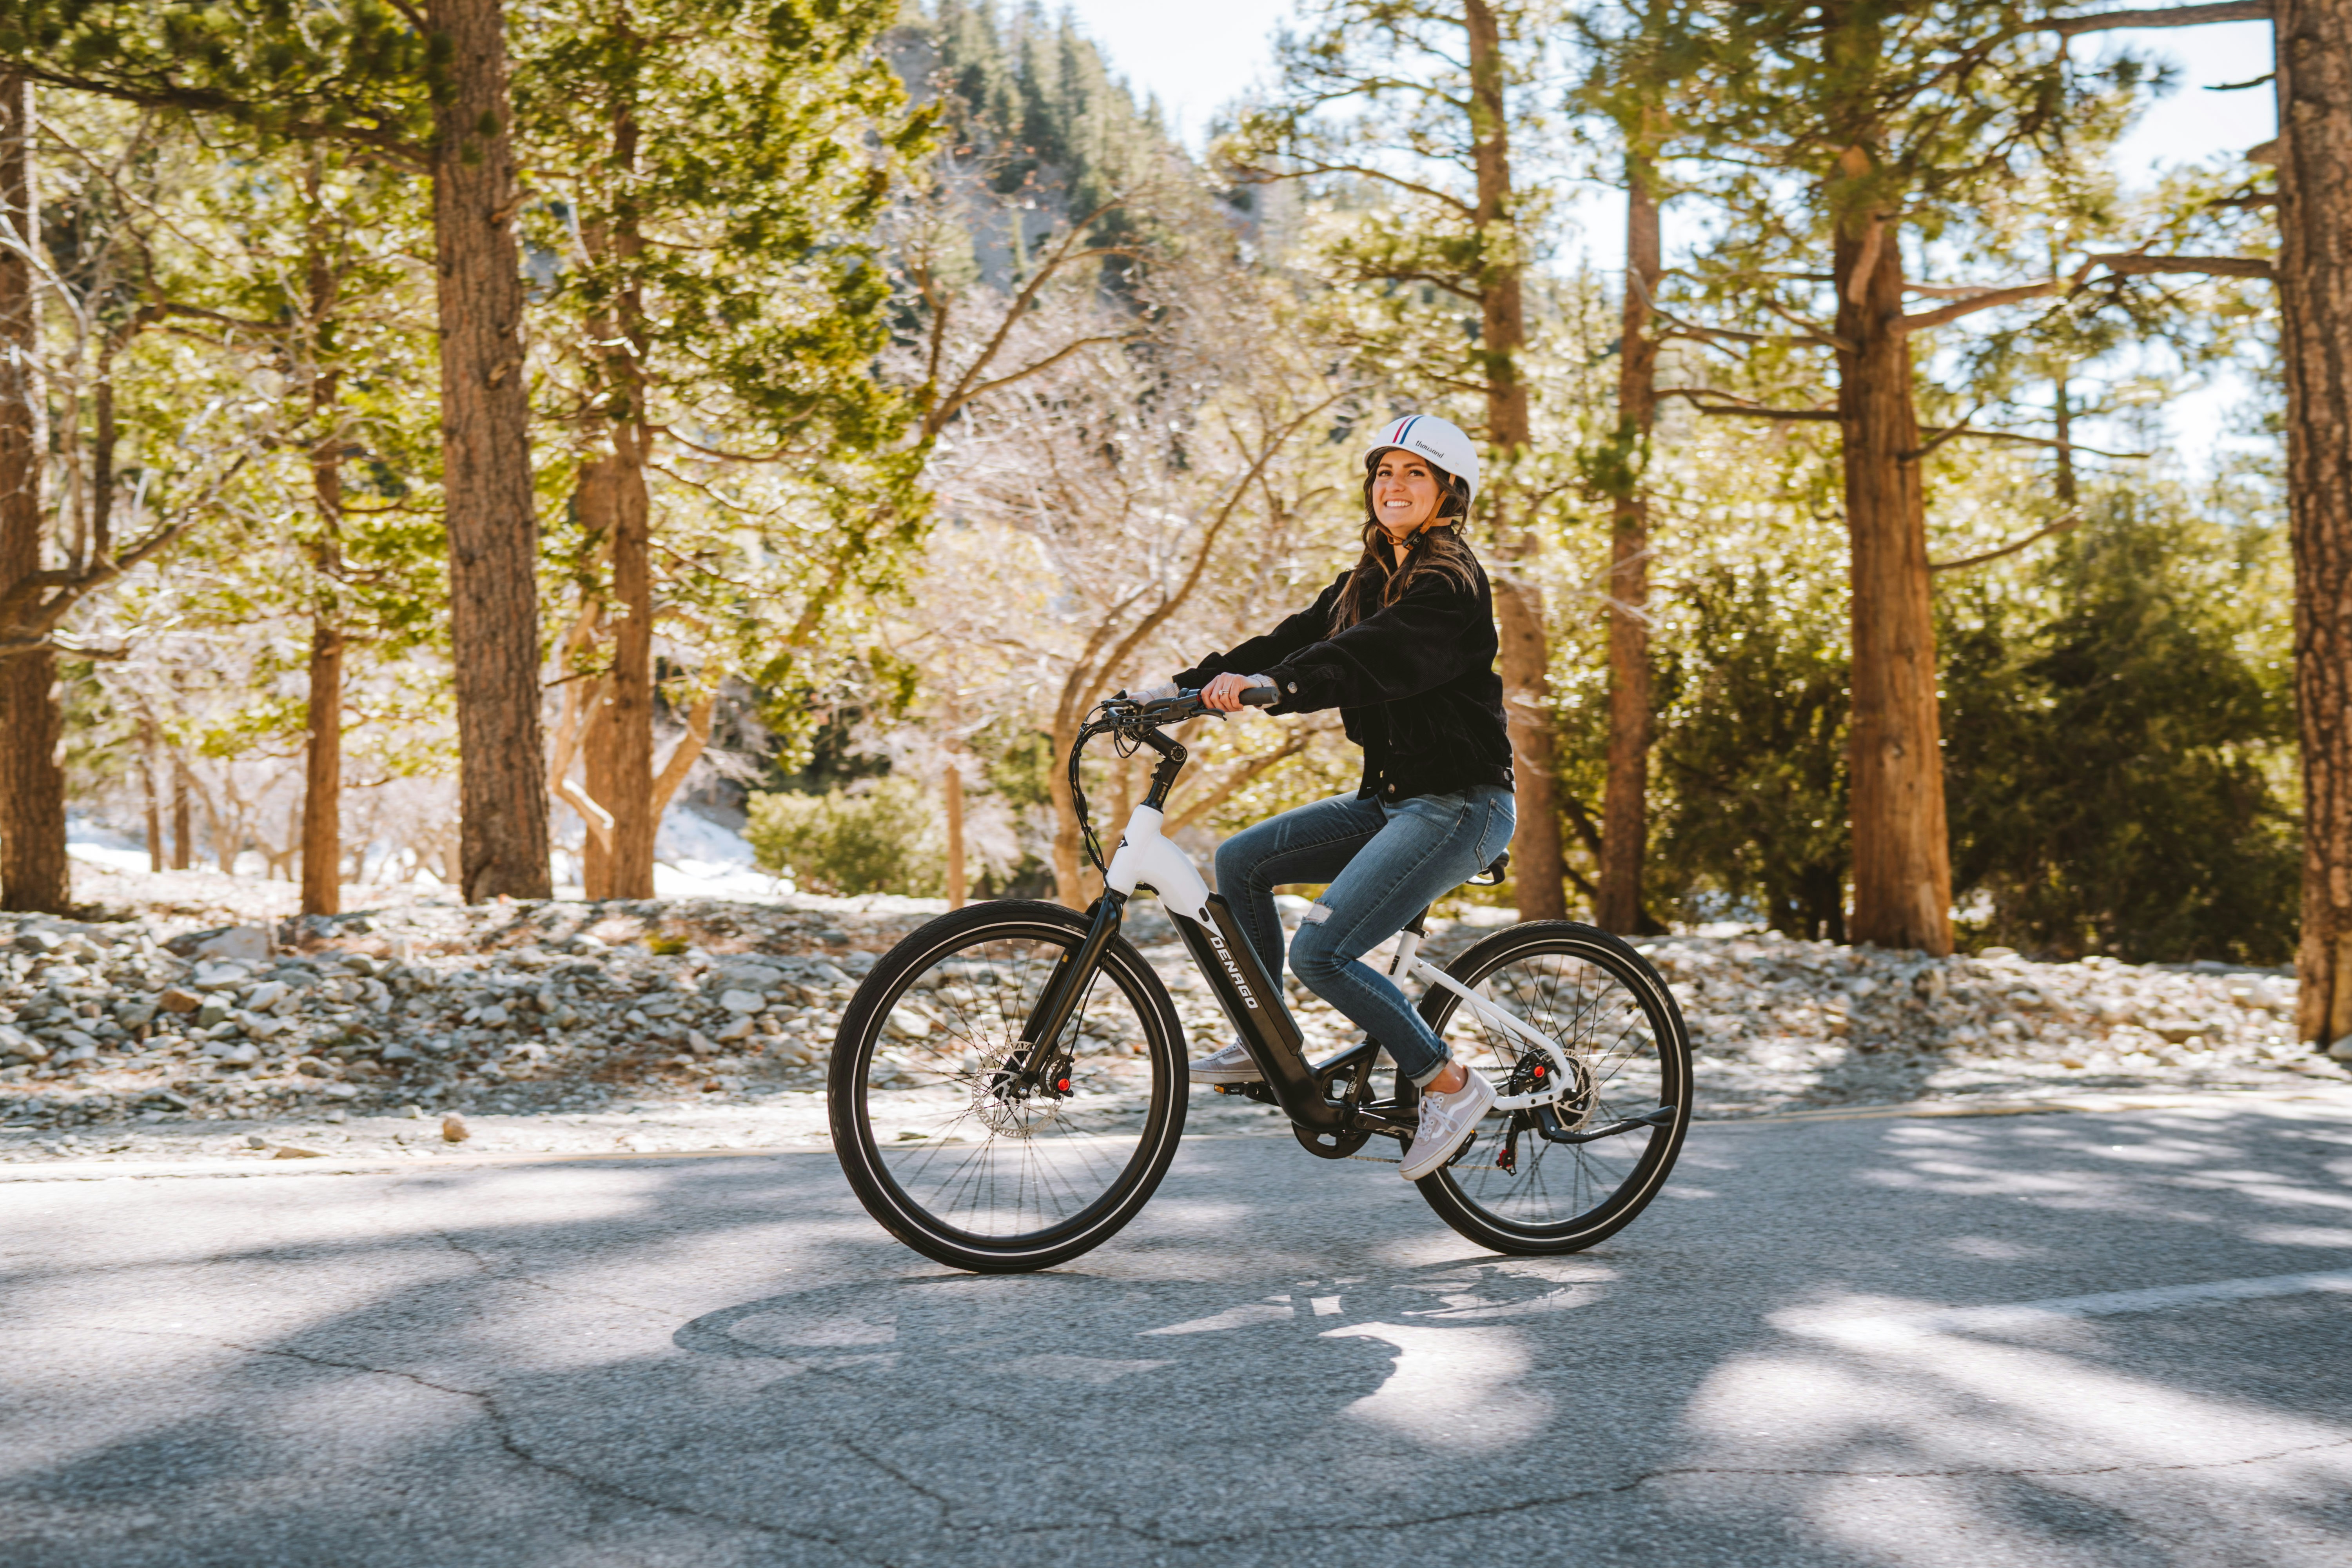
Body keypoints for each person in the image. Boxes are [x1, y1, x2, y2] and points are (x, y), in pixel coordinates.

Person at [1154, 414, 1516, 1181]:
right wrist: (1180, 690)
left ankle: (1449, 1083)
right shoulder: (1367, 579)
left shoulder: (1449, 585)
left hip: (1461, 806)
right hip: (1394, 800)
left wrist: (1279, 687)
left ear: (1449, 493)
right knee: (1242, 860)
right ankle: (1267, 1041)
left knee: (1323, 952)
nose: (1395, 485)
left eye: (1416, 473)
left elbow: (1365, 656)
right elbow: (1295, 638)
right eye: (1385, 471)